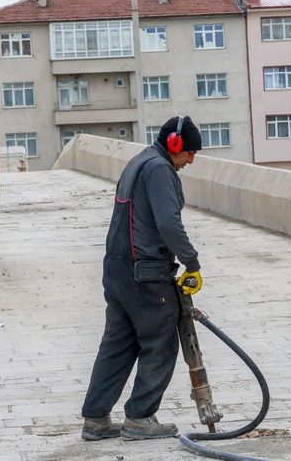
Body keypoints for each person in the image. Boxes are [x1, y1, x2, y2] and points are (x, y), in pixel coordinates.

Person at [81, 115, 204, 441]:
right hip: (144, 273)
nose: (190, 160)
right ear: (175, 144)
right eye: (190, 152)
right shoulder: (160, 169)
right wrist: (192, 262)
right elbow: (168, 224)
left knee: (118, 344)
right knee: (161, 340)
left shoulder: (139, 161)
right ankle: (139, 417)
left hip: (117, 269)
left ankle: (95, 418)